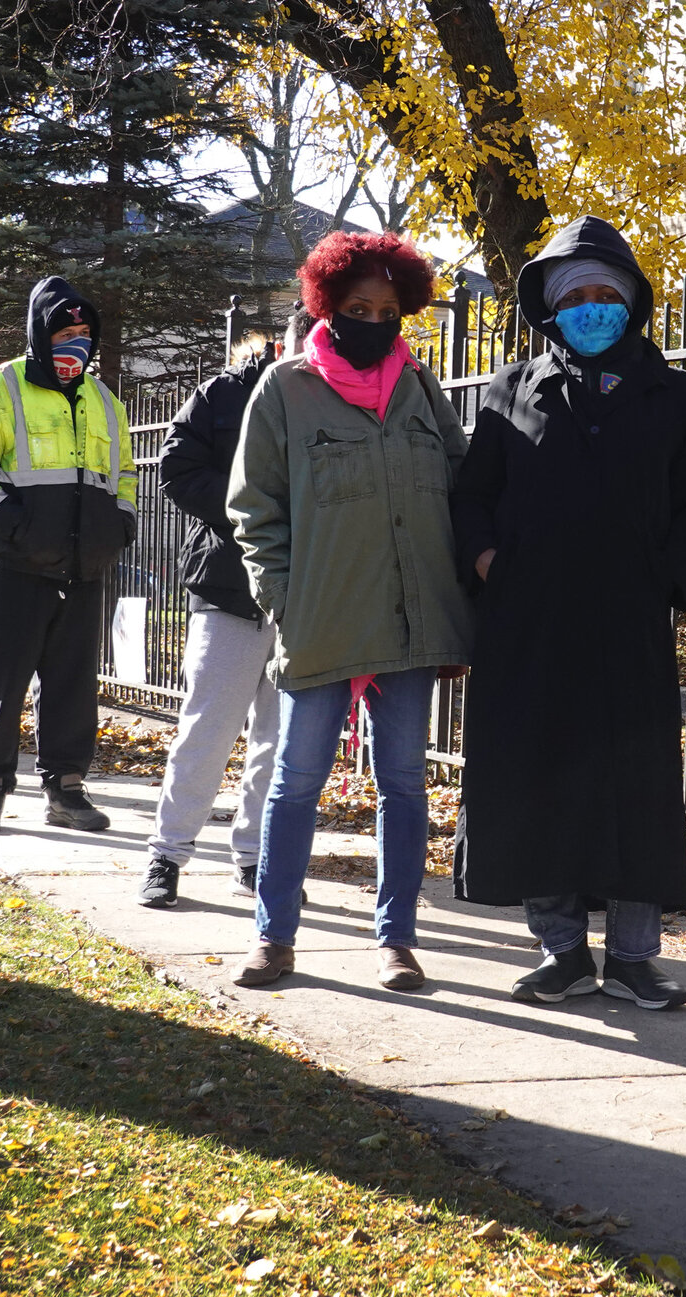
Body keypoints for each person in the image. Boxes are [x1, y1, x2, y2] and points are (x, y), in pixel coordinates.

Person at [450, 217, 686, 1011]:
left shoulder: (674, 394)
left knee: (632, 781)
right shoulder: (511, 388)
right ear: (553, 307)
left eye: (610, 293)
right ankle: (562, 951)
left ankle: (636, 957)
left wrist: (664, 575)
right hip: (530, 627)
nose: (595, 307)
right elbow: (472, 497)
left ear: (633, 302)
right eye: (580, 295)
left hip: (628, 623)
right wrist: (488, 562)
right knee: (541, 779)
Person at [225, 232, 473, 991]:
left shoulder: (422, 389)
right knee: (295, 780)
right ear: (328, 305)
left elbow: (461, 487)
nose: (374, 319)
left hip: (410, 618)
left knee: (403, 781)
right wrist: (285, 600)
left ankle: (396, 937)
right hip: (323, 619)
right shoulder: (284, 389)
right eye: (358, 306)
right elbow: (254, 508)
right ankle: (274, 936)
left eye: (388, 309)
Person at [0, 276, 136, 834]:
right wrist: (17, 528)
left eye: (83, 331)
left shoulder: (105, 400)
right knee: (3, 684)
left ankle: (67, 788)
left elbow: (124, 474)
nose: (75, 340)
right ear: (39, 332)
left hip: (85, 567)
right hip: (18, 566)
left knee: (74, 684)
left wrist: (119, 526)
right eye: (64, 330)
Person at [139, 306, 310, 910]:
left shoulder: (344, 401)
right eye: (307, 330)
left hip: (309, 600)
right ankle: (167, 853)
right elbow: (177, 470)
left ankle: (256, 857)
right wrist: (255, 515)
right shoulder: (225, 392)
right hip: (229, 589)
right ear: (284, 336)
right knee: (207, 729)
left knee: (279, 739)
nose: (317, 343)